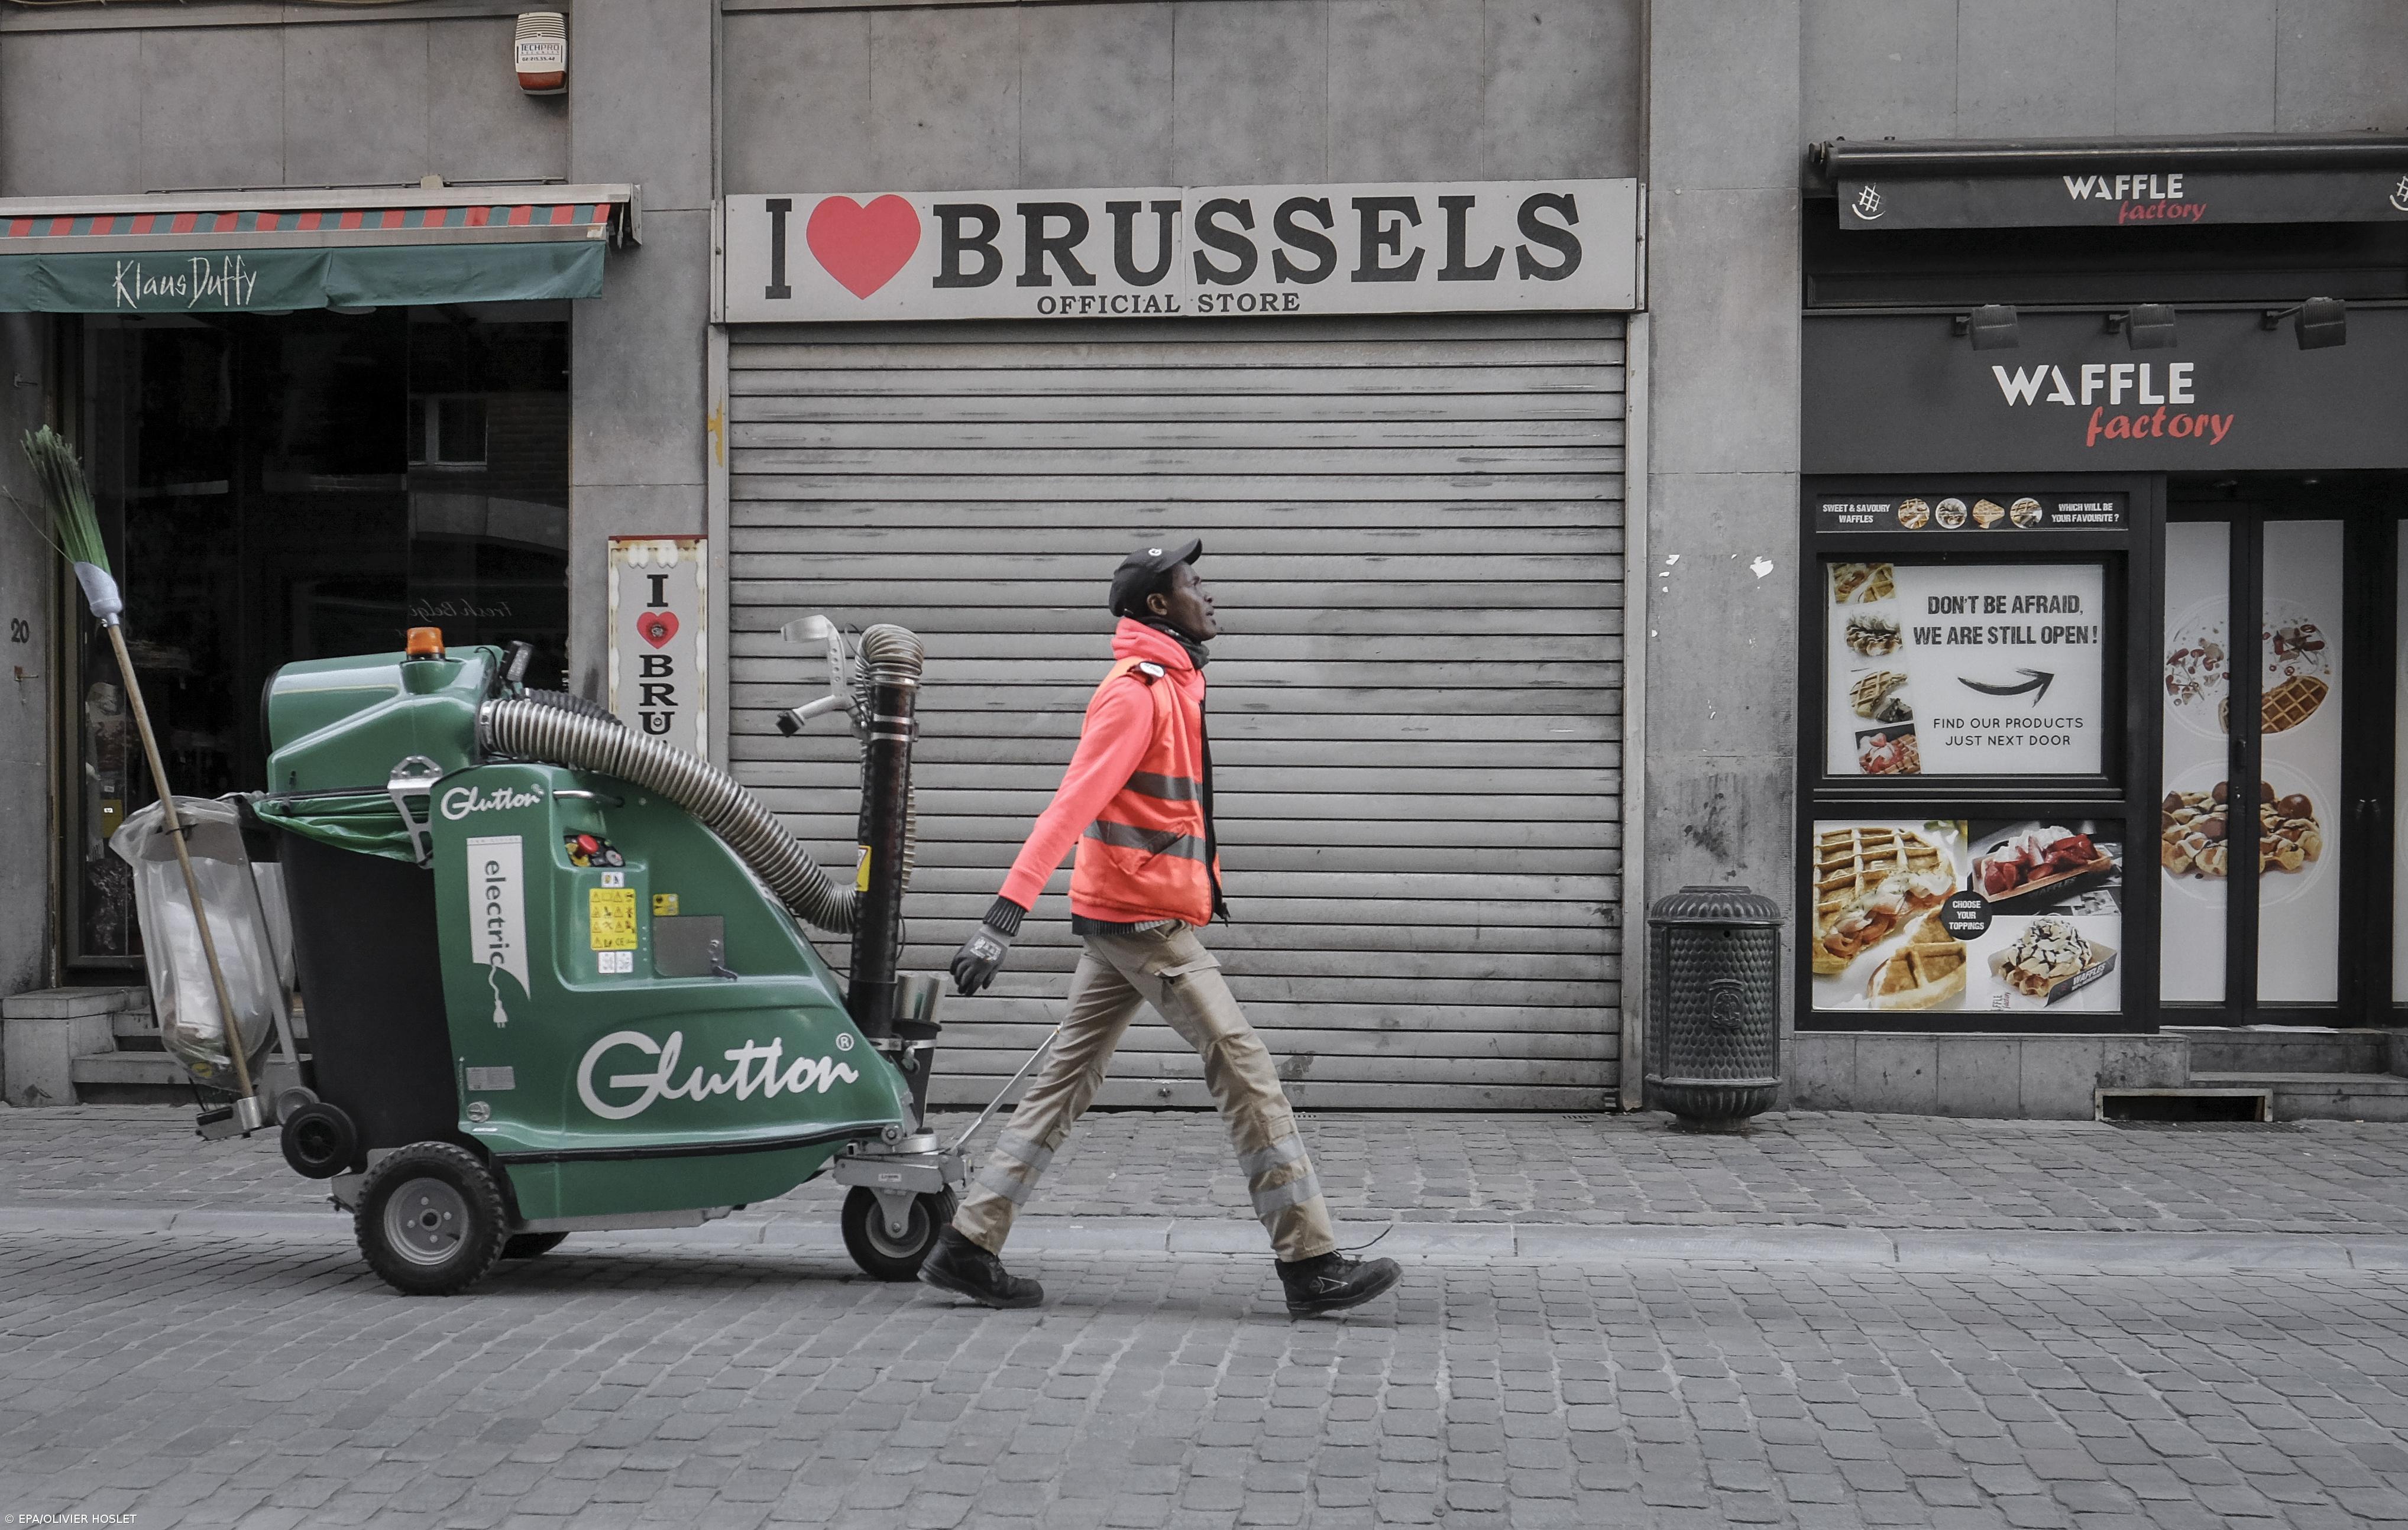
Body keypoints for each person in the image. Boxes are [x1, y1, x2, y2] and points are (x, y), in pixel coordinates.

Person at [918, 539, 1403, 1317]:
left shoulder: (1176, 683)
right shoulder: (1135, 694)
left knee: (1065, 1082)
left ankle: (968, 1246)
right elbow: (1070, 805)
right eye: (1192, 585)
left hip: (1136, 913)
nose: (1208, 595)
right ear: (1157, 607)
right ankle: (1310, 1262)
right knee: (1242, 1063)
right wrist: (1000, 920)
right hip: (1138, 919)